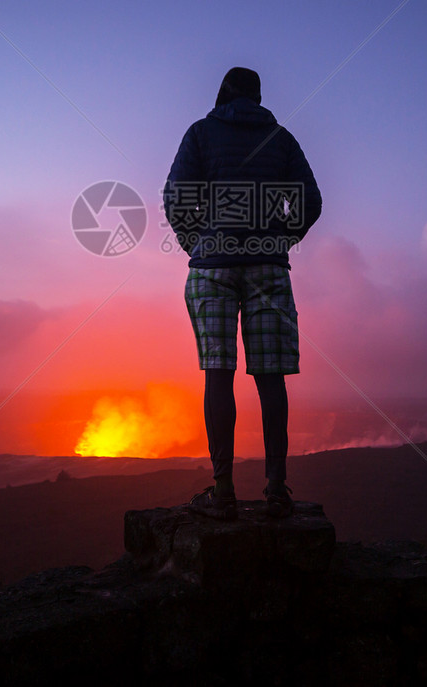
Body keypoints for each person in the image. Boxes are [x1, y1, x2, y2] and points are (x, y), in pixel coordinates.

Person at [163, 67, 322, 519]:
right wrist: (281, 239)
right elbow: (311, 200)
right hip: (268, 267)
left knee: (218, 373)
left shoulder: (200, 133)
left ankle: (223, 489)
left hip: (212, 267)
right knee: (271, 377)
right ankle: (275, 488)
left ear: (222, 94)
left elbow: (177, 196)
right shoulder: (282, 138)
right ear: (258, 97)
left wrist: (196, 240)